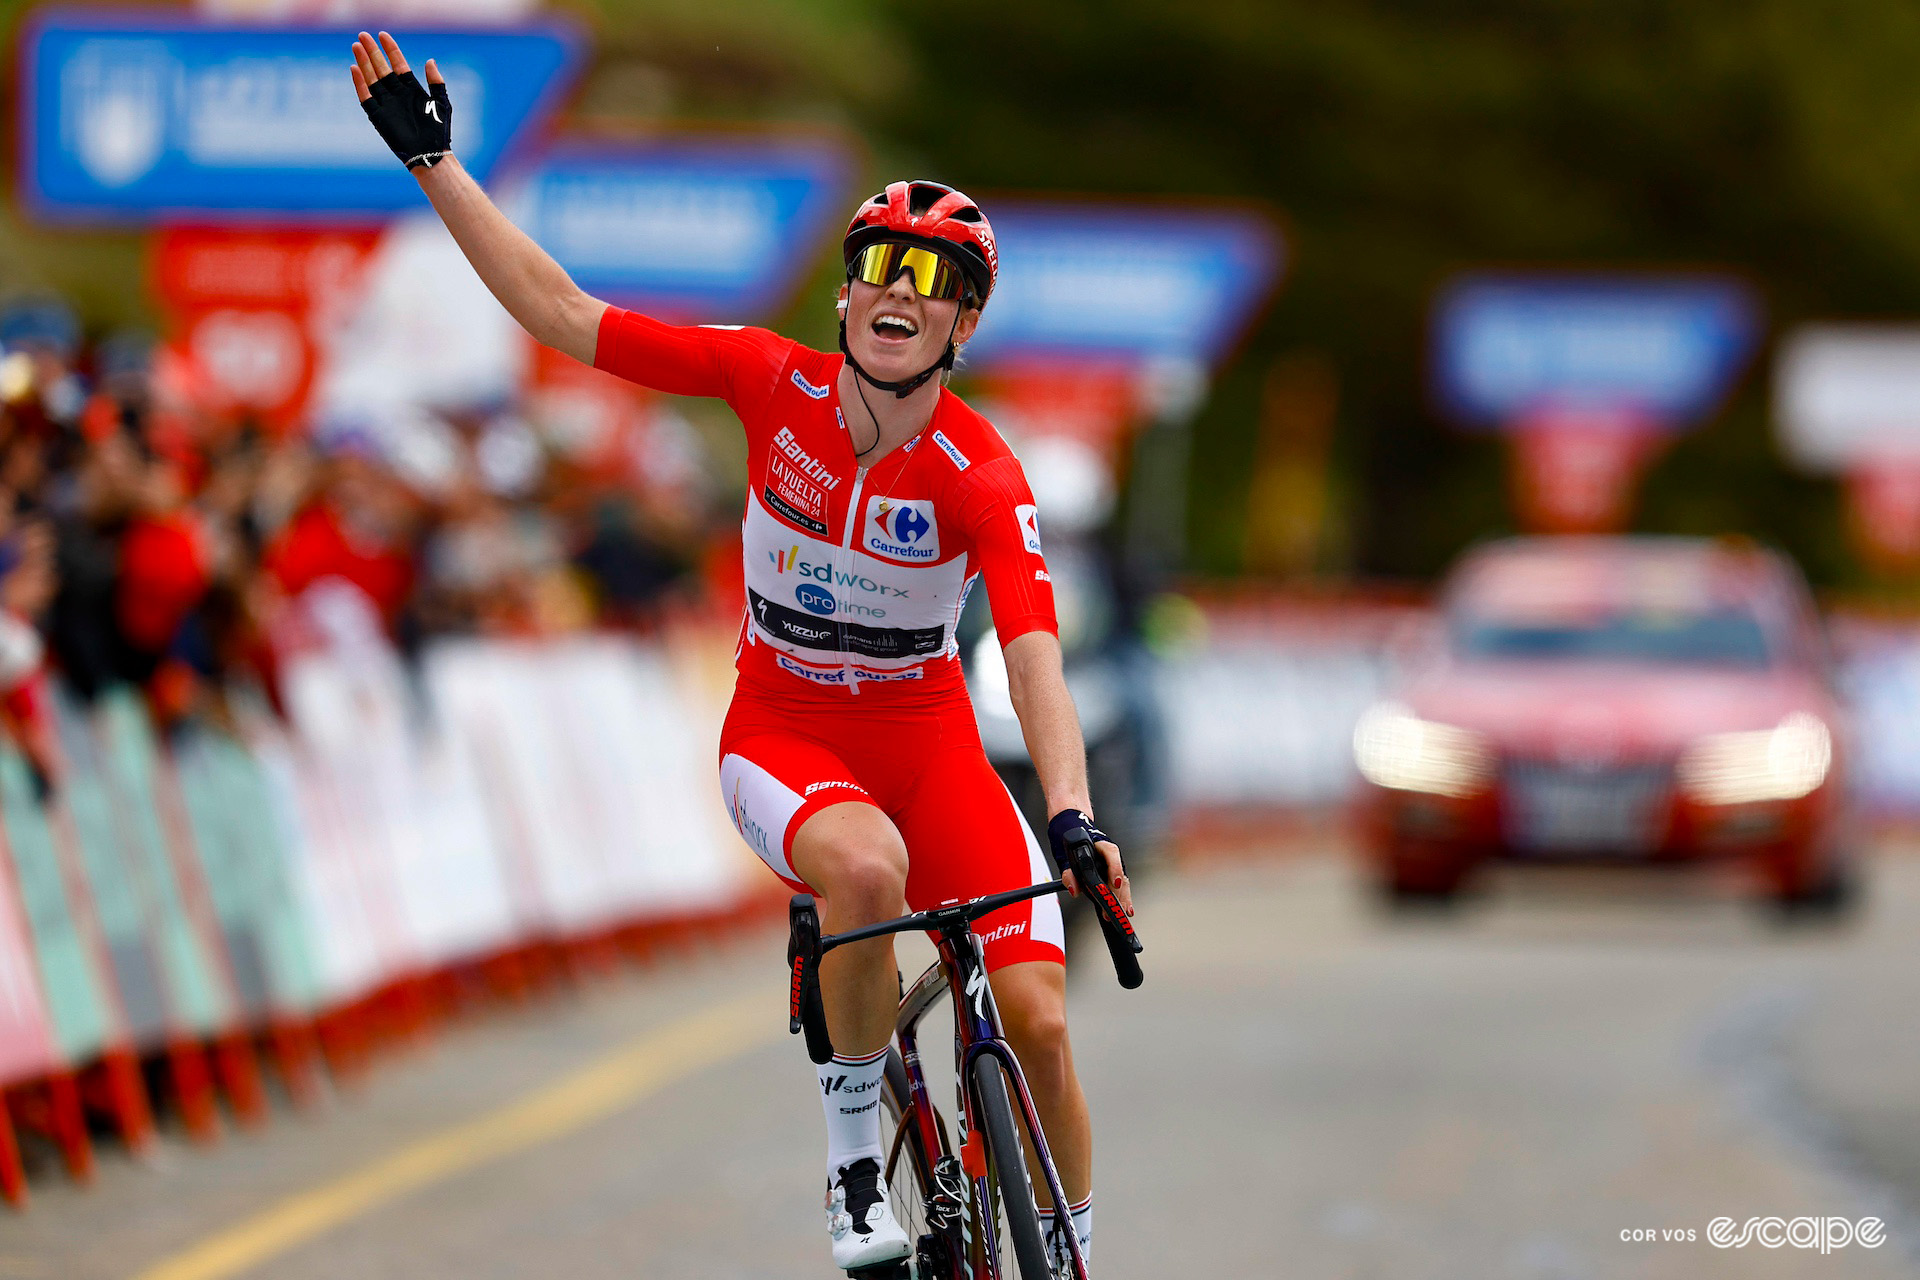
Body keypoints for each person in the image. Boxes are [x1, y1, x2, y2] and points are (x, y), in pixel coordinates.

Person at [350, 33, 1133, 1275]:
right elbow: (562, 312)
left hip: (932, 747)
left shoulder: (983, 470)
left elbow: (1033, 654)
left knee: (1037, 1012)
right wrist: (435, 160)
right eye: (880, 262)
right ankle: (854, 1159)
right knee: (866, 872)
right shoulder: (768, 382)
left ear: (964, 321)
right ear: (843, 292)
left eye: (934, 278)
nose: (900, 289)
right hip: (786, 732)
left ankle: (1075, 1251)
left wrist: (1076, 813)